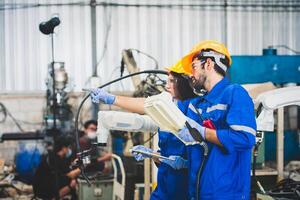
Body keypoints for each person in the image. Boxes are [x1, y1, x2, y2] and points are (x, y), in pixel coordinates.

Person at [90, 60, 197, 200]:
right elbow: (146, 104)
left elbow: (202, 153)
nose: (167, 85)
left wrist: (184, 163)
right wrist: (153, 155)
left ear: (183, 82)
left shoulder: (194, 109)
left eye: (172, 81)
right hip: (164, 186)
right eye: (167, 80)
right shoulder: (168, 102)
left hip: (184, 187)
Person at [178, 40, 257, 199]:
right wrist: (177, 161)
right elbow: (197, 147)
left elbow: (245, 138)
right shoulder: (197, 105)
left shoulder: (235, 93)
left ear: (208, 64)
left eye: (194, 67)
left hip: (226, 193)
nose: (192, 74)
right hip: (199, 192)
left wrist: (204, 132)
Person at [33, 135, 80, 199]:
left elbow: (66, 169)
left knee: (69, 180)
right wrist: (83, 166)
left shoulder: (55, 155)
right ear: (63, 148)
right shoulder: (55, 159)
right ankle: (54, 198)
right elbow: (71, 174)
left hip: (44, 185)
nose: (69, 150)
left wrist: (75, 164)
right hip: (42, 190)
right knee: (72, 183)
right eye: (68, 147)